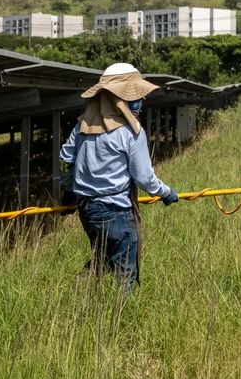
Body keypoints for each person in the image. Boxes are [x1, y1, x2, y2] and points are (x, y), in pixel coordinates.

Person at [59, 62, 179, 288]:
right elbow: (144, 178)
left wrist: (68, 190)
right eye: (135, 96)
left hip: (87, 210)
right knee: (125, 272)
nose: (141, 101)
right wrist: (166, 193)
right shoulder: (130, 132)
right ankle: (121, 316)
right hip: (115, 211)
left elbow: (66, 159)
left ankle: (79, 296)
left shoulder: (82, 127)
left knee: (102, 258)